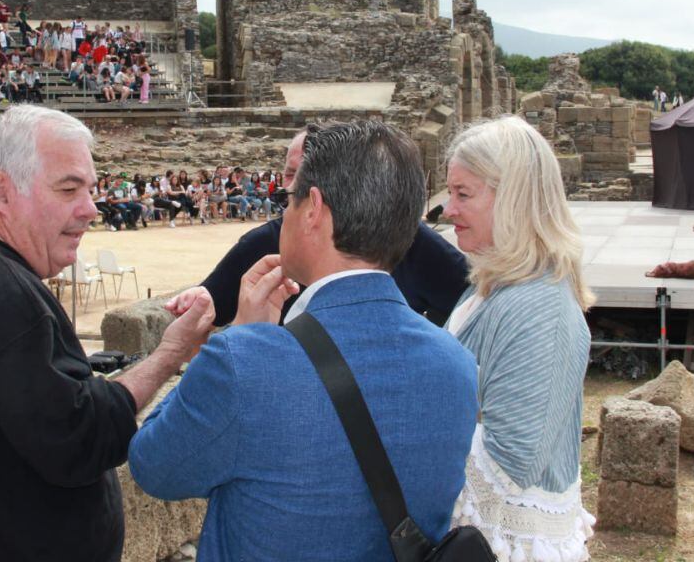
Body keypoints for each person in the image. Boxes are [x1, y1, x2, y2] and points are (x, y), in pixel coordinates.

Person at [0, 106, 216, 562]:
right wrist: (170, 353)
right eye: (68, 188)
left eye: (90, 189)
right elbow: (80, 439)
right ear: (2, 192)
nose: (90, 209)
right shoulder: (4, 297)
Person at [128, 120, 478, 561]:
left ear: (313, 208)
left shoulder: (244, 361)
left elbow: (155, 467)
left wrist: (241, 335)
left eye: (289, 200)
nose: (283, 214)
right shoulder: (457, 364)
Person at [442, 115, 595, 561]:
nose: (448, 209)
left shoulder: (539, 308)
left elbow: (509, 467)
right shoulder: (489, 288)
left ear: (513, 199)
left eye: (462, 194)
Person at [192, 127, 470, 327]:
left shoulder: (414, 242)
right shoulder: (259, 244)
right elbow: (206, 305)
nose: (290, 188)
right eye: (289, 174)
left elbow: (467, 298)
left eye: (300, 178)